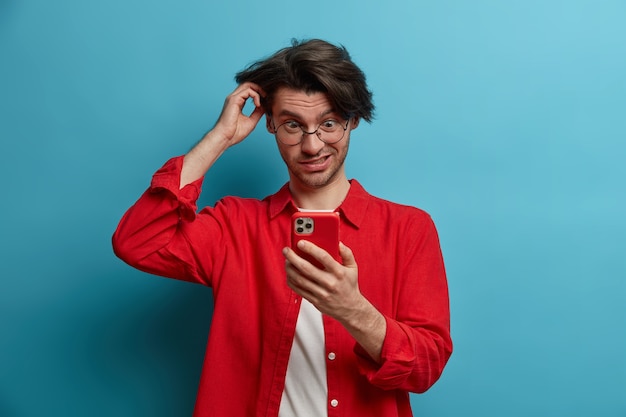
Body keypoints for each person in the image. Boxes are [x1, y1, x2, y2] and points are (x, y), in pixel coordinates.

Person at [112, 38, 452, 417]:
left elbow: (426, 367)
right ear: (270, 122)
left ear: (353, 120)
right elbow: (137, 241)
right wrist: (219, 138)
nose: (311, 145)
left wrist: (353, 310)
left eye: (328, 124)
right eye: (293, 124)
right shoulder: (234, 226)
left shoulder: (408, 229)